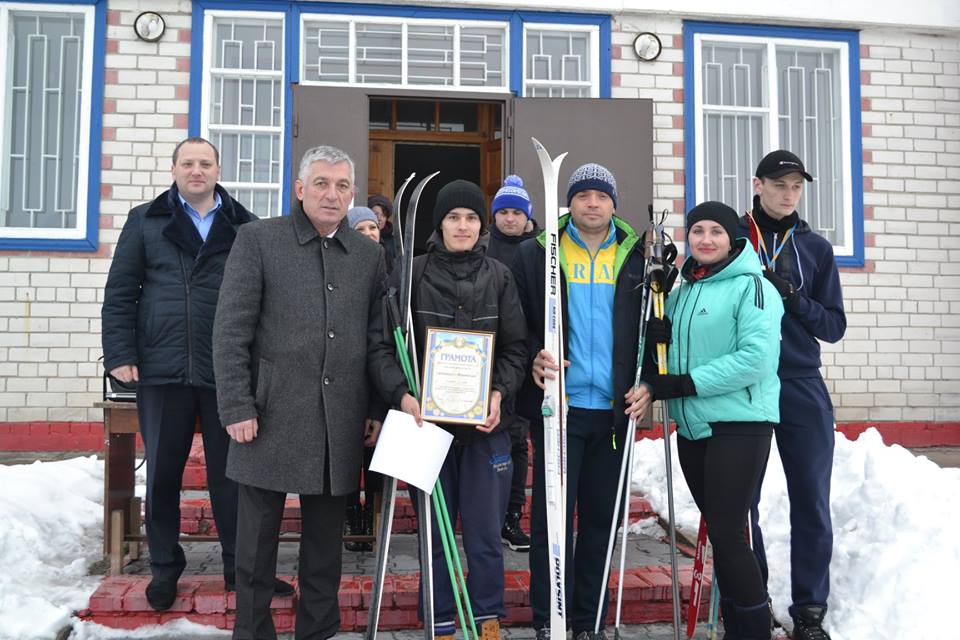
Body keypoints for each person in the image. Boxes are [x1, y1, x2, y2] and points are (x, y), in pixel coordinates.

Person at [212, 146, 402, 640]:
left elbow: (378, 338)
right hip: (267, 416)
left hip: (338, 420)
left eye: (342, 186)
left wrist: (376, 407)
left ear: (353, 194)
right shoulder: (258, 240)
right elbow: (231, 330)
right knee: (255, 549)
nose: (331, 194)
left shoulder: (368, 255)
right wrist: (236, 404)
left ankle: (316, 632)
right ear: (299, 189)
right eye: (321, 183)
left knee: (324, 551)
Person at [100, 137, 287, 610]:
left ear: (218, 169)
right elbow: (121, 291)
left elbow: (264, 304)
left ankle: (238, 569)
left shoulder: (245, 226)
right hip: (162, 367)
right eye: (188, 163)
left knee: (233, 477)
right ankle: (164, 569)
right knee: (163, 473)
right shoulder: (146, 220)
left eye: (205, 163)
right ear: (174, 169)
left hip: (225, 369)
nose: (197, 170)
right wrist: (120, 352)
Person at [370, 179, 528, 640]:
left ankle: (487, 620)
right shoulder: (409, 274)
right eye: (454, 217)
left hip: (485, 427)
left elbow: (516, 348)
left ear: (483, 225)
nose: (463, 225)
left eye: (472, 217)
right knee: (435, 534)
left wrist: (499, 392)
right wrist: (402, 395)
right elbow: (382, 347)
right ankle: (439, 622)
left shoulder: (499, 275)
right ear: (439, 223)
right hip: (426, 426)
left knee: (484, 534)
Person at [511, 163, 648, 640]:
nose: (592, 203)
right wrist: (531, 357)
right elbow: (520, 320)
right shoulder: (540, 253)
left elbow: (652, 329)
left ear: (614, 203)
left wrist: (648, 382)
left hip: (614, 410)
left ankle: (586, 619)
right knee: (552, 521)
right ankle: (550, 616)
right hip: (560, 410)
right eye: (583, 194)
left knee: (599, 522)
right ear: (569, 202)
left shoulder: (636, 256)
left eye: (601, 195)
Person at [637, 201, 784, 640]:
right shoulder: (680, 293)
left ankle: (755, 629)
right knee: (723, 534)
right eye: (697, 230)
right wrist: (654, 334)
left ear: (733, 238)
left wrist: (685, 383)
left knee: (727, 531)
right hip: (694, 426)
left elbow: (755, 360)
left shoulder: (753, 288)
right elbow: (662, 366)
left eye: (715, 231)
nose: (705, 239)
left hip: (739, 423)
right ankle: (737, 626)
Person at [743, 150, 846, 640]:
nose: (788, 194)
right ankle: (752, 600)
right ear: (757, 184)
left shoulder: (816, 249)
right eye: (779, 184)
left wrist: (795, 299)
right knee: (742, 501)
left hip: (801, 385)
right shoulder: (735, 238)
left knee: (811, 499)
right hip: (745, 386)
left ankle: (809, 610)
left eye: (796, 187)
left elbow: (834, 326)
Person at [486, 175, 541, 552]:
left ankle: (512, 516)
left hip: (525, 357)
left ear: (527, 217)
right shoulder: (483, 247)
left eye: (515, 213)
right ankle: (486, 514)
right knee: (491, 438)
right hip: (488, 357)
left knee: (519, 441)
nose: (509, 219)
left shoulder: (539, 251)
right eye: (503, 212)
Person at [348, 205, 393, 273]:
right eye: (360, 229)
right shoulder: (342, 261)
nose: (368, 233)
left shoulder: (387, 256)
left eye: (372, 227)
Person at [368, 193, 398, 265]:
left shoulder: (393, 241)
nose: (379, 218)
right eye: (375, 214)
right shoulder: (361, 235)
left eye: (383, 215)